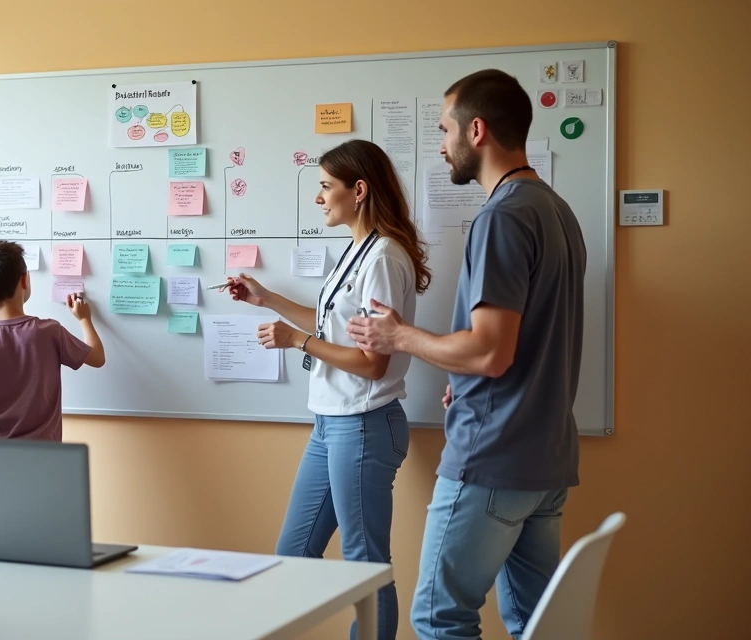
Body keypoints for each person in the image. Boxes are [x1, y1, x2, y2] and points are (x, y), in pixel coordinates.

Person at [347, 69, 586, 639]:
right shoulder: (557, 211)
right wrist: (472, 374)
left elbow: (490, 351)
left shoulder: (502, 216)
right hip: (544, 459)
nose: (440, 143)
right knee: (535, 623)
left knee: (439, 617)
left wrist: (399, 336)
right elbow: (516, 347)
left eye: (444, 129)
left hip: (492, 457)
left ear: (475, 131)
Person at [222, 139, 431, 640]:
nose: (318, 198)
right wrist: (267, 299)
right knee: (294, 553)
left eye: (325, 187)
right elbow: (330, 323)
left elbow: (372, 363)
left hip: (362, 425)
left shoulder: (383, 256)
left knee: (364, 566)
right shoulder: (357, 250)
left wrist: (298, 341)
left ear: (358, 190)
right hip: (332, 424)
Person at [0, 240, 106, 440]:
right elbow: (97, 358)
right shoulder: (49, 331)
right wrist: (84, 319)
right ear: (24, 280)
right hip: (43, 455)